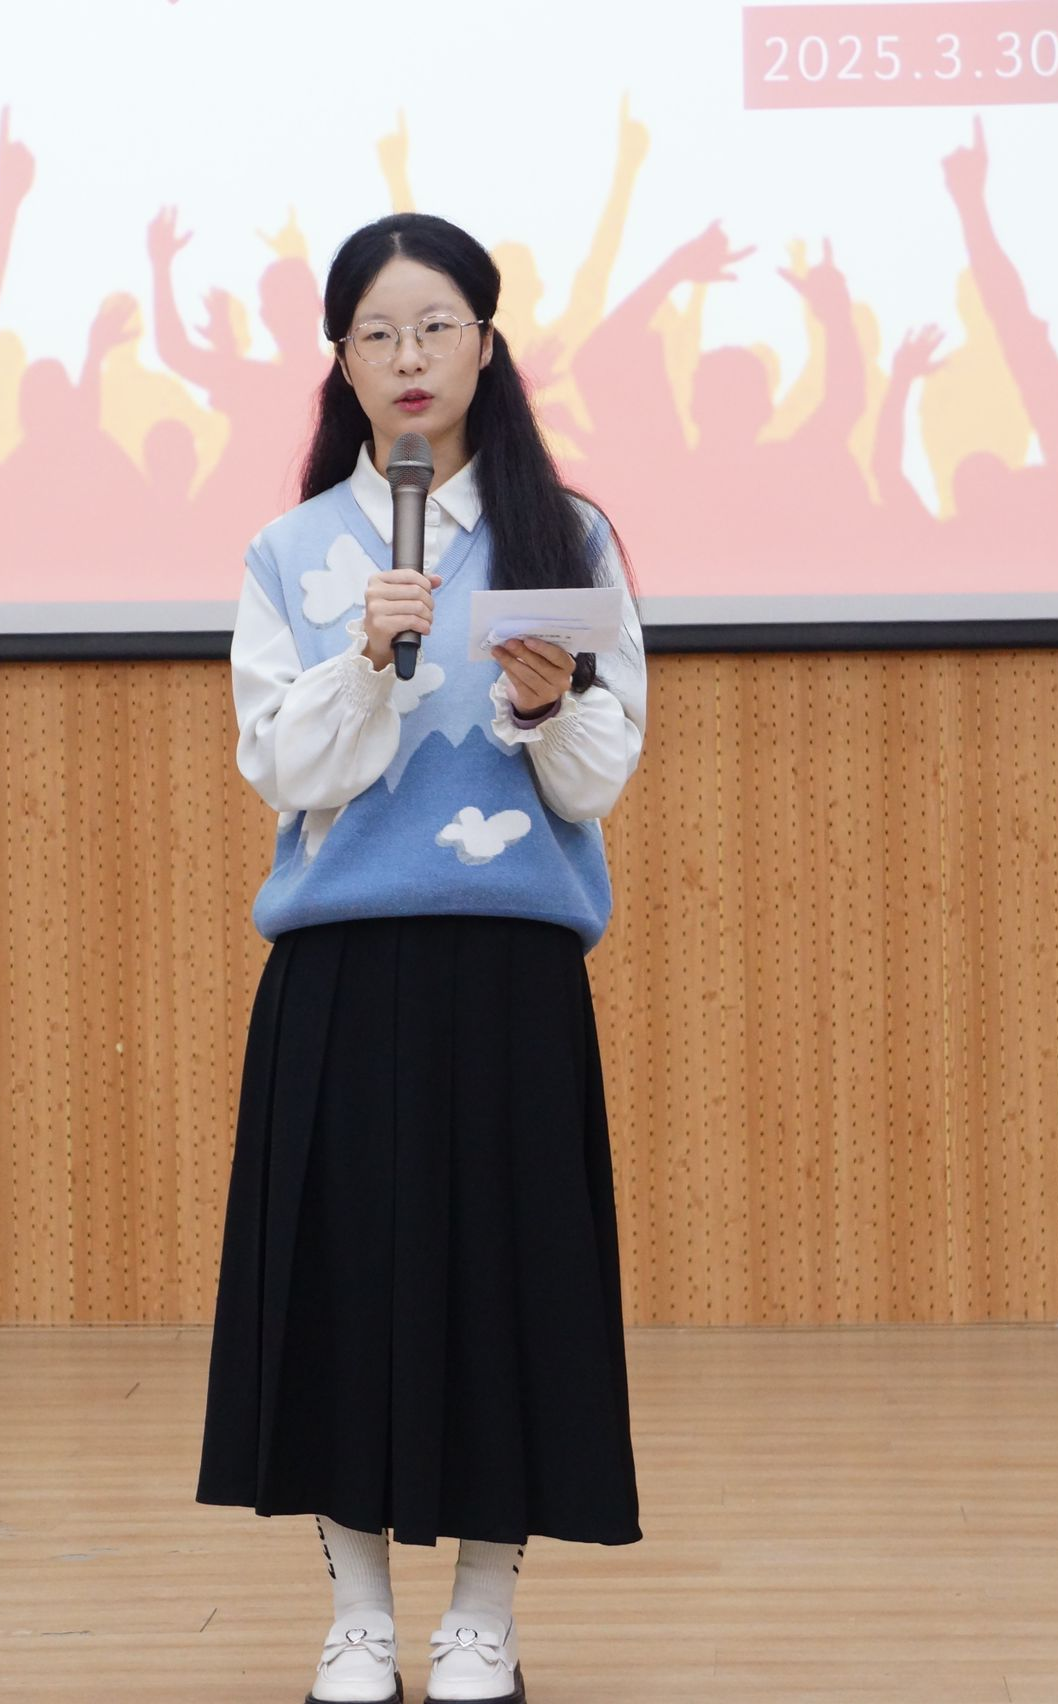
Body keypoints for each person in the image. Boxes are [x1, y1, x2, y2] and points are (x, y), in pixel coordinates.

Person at [195, 211, 649, 1704]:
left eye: (437, 326)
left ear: (486, 346)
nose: (409, 356)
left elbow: (601, 775)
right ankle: (358, 1616)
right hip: (344, 974)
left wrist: (545, 703)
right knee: (342, 1291)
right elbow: (280, 767)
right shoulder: (291, 553)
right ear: (341, 360)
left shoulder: (566, 540)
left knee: (507, 1293)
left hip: (511, 977)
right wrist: (364, 661)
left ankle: (484, 1618)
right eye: (377, 332)